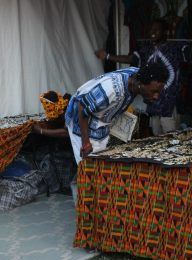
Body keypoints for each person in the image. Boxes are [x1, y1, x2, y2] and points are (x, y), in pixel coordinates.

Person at [34, 63, 168, 204]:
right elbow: (83, 108)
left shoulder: (138, 76)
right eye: (153, 91)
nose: (156, 96)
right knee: (89, 168)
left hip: (101, 120)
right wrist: (86, 142)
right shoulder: (111, 90)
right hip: (83, 120)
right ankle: (85, 209)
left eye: (159, 91)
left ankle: (90, 197)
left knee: (95, 167)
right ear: (140, 84)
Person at [95, 19, 192, 135]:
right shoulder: (146, 50)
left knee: (172, 137)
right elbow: (130, 58)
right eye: (151, 29)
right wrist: (107, 56)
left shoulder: (174, 48)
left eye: (157, 29)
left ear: (165, 32)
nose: (153, 32)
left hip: (170, 103)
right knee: (157, 137)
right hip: (154, 104)